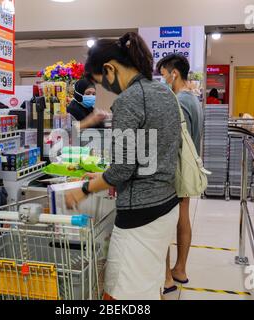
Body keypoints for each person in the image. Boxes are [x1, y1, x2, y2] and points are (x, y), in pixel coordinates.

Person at [65, 32, 181, 300]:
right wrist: (105, 175)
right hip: (166, 205)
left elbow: (122, 170)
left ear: (109, 69)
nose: (105, 89)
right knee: (149, 286)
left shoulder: (129, 100)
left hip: (139, 215)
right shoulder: (164, 92)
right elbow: (149, 154)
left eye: (100, 83)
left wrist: (84, 189)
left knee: (120, 294)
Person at [157, 53, 204, 293]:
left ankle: (166, 278)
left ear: (173, 73)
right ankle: (180, 269)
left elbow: (174, 139)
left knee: (165, 219)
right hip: (188, 169)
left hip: (175, 169)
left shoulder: (179, 101)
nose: (162, 79)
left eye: (163, 74)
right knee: (183, 215)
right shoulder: (194, 100)